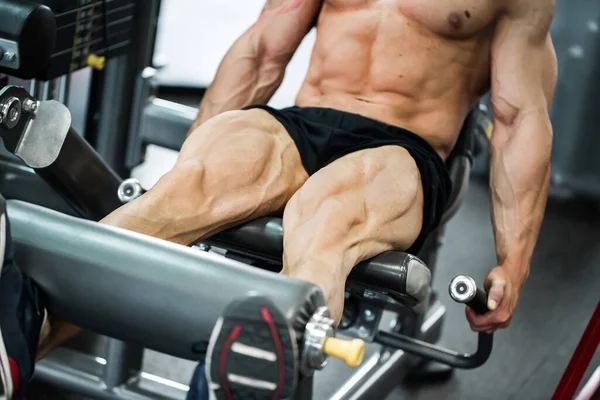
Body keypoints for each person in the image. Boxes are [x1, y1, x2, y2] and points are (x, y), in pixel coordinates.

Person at [1, 0, 557, 398]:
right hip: (302, 122)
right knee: (182, 194)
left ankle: (250, 378)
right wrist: (197, 159)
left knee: (324, 215)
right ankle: (19, 340)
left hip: (404, 147)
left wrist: (514, 264)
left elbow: (517, 119)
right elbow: (265, 47)